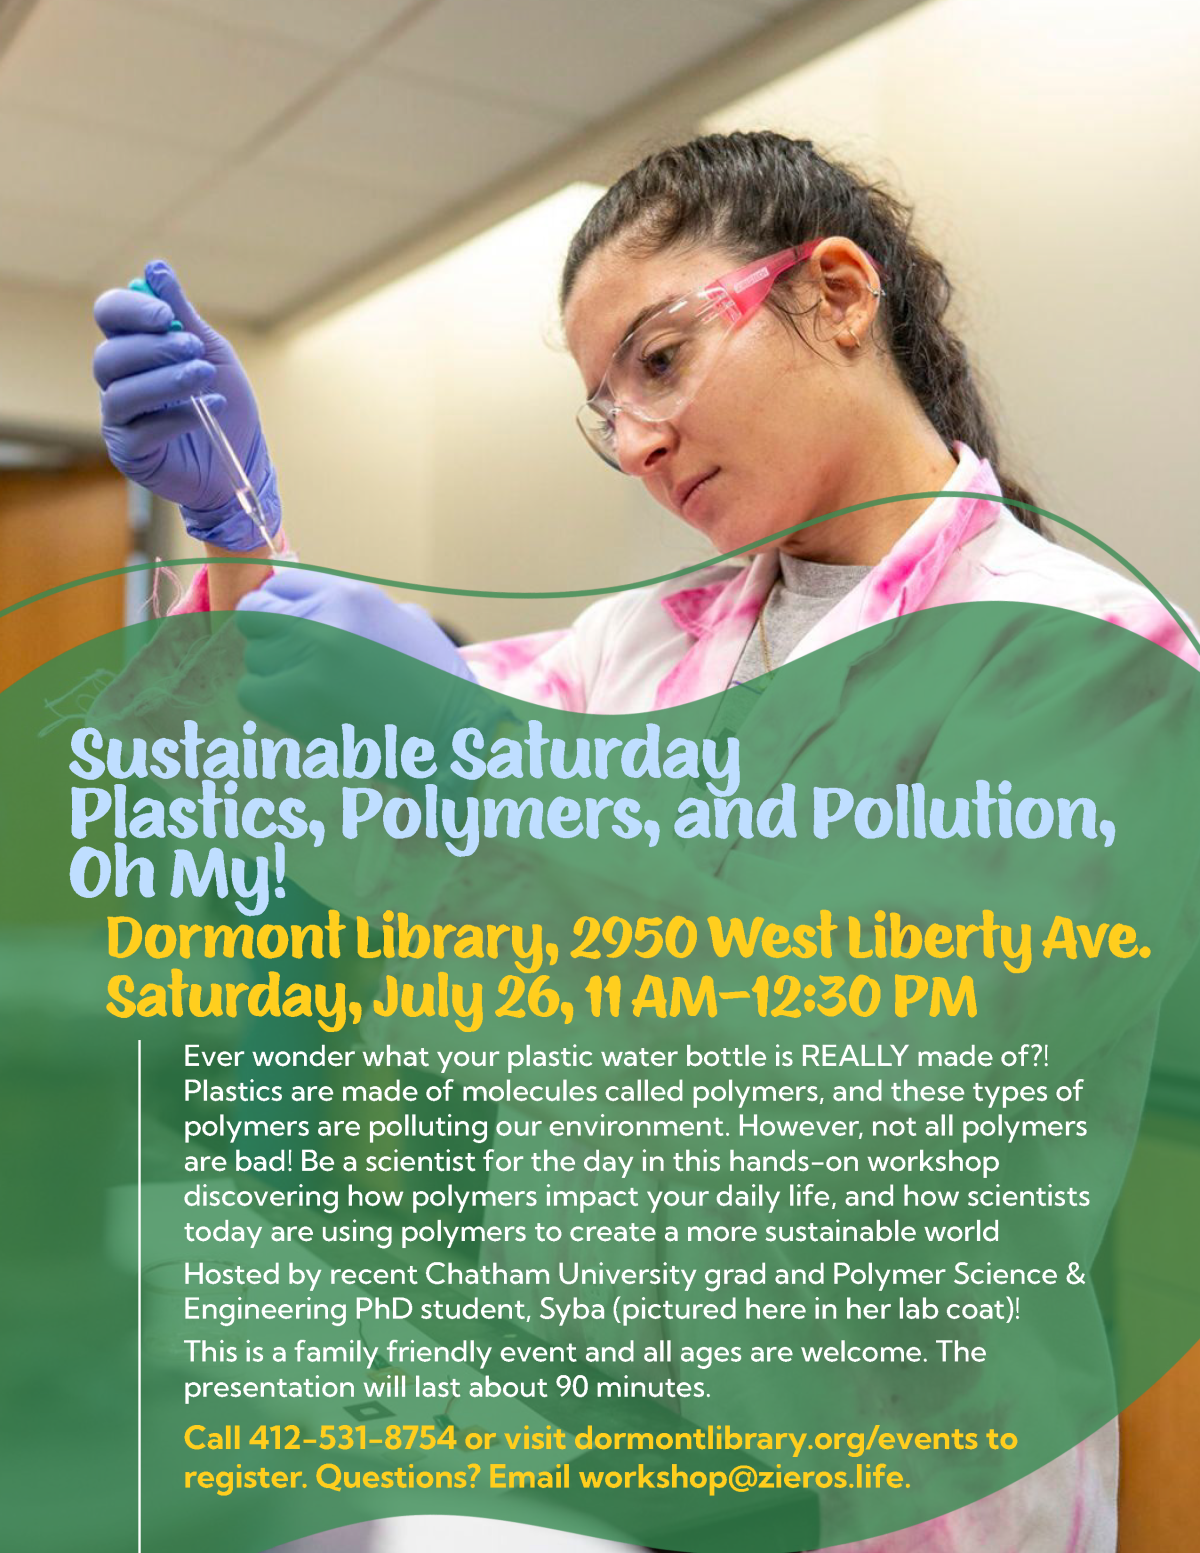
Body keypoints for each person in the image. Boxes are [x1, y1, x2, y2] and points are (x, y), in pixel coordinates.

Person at [93, 133, 1198, 1552]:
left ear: (838, 294)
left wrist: (503, 773)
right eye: (602, 408)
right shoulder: (641, 644)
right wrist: (244, 544)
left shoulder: (1092, 657)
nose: (637, 441)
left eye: (660, 361)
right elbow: (374, 841)